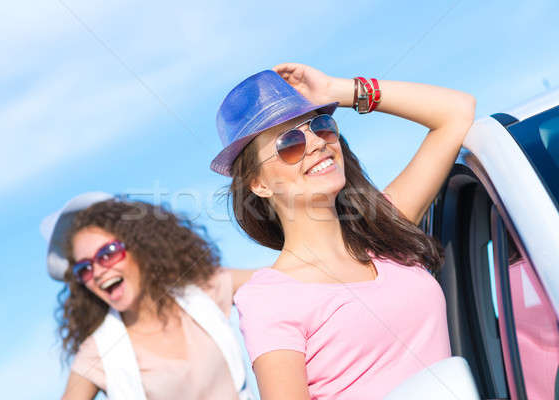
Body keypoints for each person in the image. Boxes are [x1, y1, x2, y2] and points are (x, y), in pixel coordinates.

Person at [210, 64, 476, 399]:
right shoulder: (269, 297)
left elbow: (457, 111)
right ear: (259, 183)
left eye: (320, 127)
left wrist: (336, 90)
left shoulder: (384, 230)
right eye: (288, 143)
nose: (316, 144)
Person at [40, 192, 256, 400]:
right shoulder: (96, 353)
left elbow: (280, 278)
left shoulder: (203, 291)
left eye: (108, 254)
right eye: (84, 268)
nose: (97, 272)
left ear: (139, 246)